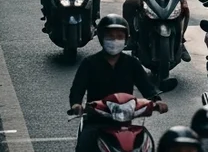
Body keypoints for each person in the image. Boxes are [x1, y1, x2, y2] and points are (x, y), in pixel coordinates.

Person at [67, 15, 167, 152]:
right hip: (96, 120)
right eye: (110, 36)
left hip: (125, 120)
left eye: (119, 36)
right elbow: (77, 89)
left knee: (146, 143)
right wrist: (76, 105)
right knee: (84, 145)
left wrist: (156, 100)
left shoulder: (132, 63)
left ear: (126, 39)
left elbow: (147, 86)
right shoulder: (89, 63)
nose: (115, 40)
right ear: (101, 37)